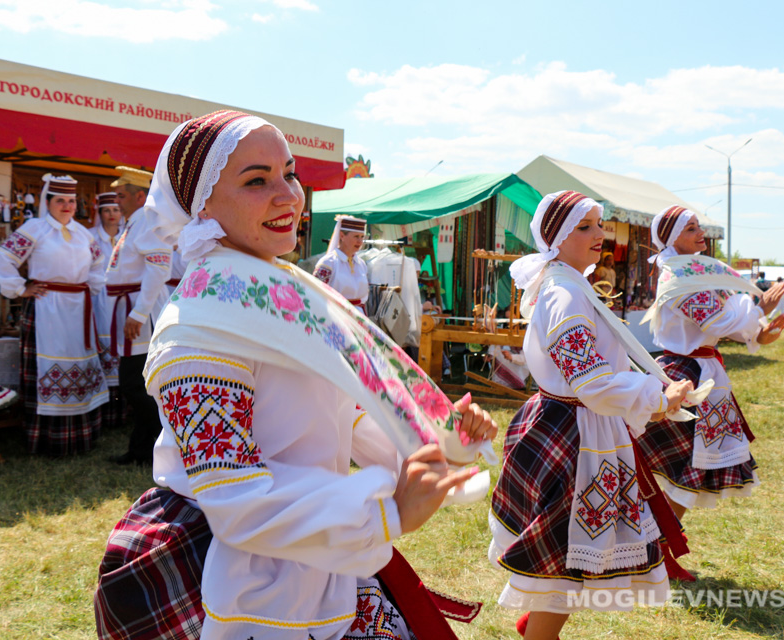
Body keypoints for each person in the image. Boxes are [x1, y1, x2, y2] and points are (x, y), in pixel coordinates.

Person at [93, 110, 499, 640]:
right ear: (202, 205)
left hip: (307, 553)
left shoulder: (277, 292)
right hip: (240, 579)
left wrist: (436, 440)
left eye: (289, 173)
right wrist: (385, 512)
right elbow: (238, 500)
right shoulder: (198, 329)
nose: (288, 196)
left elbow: (338, 412)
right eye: (256, 181)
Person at [489, 191, 694, 640]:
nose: (600, 234)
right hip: (575, 436)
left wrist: (654, 395)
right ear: (557, 238)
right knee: (565, 561)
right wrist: (658, 397)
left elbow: (596, 375)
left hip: (581, 427)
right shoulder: (564, 293)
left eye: (600, 224)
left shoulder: (571, 284)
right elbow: (590, 382)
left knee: (569, 557)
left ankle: (538, 627)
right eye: (585, 227)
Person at [637, 206, 784, 523]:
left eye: (698, 226)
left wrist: (759, 332)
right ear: (671, 238)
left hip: (701, 374)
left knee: (690, 469)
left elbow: (726, 318)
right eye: (691, 228)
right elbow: (717, 320)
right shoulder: (677, 277)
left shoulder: (695, 272)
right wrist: (758, 310)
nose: (700, 232)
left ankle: (662, 538)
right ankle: (657, 538)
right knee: (683, 467)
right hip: (684, 376)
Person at [0, 174, 108, 455]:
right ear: (48, 202)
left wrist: (91, 286)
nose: (67, 206)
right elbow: (3, 257)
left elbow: (99, 263)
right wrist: (20, 288)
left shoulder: (83, 233)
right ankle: (46, 440)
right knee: (47, 364)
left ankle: (80, 438)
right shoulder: (35, 229)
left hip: (78, 309)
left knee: (78, 364)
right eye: (60, 201)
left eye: (71, 201)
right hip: (46, 307)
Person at [104, 166, 171, 466]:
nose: (116, 201)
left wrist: (139, 313)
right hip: (132, 308)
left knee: (133, 383)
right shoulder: (134, 222)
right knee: (136, 383)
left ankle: (165, 439)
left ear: (140, 196)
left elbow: (159, 268)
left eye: (121, 195)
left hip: (141, 313)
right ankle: (141, 450)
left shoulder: (146, 220)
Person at [92, 192, 124, 429]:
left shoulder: (128, 236)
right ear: (100, 213)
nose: (112, 214)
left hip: (122, 298)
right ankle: (103, 412)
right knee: (102, 344)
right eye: (107, 210)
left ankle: (122, 412)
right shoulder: (91, 237)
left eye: (116, 209)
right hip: (98, 299)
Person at [313, 215, 370, 312]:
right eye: (356, 236)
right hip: (336, 313)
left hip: (358, 315)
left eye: (362, 237)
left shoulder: (361, 264)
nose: (360, 241)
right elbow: (315, 292)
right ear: (342, 236)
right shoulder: (328, 263)